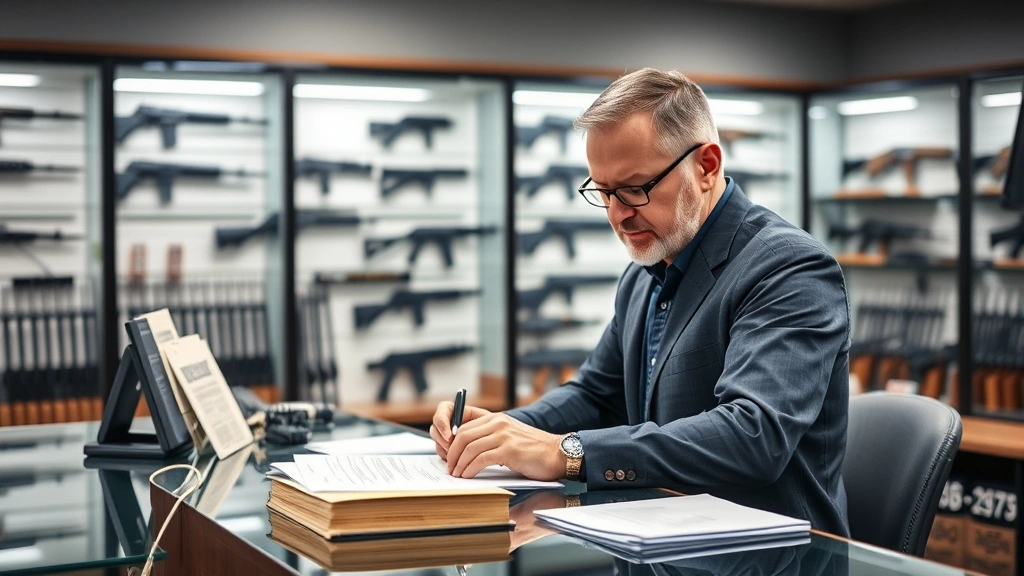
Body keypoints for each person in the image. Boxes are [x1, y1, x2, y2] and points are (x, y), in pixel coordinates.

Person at [430, 68, 851, 536]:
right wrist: (499, 432)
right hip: (660, 543)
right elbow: (596, 395)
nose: (617, 214)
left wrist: (564, 453)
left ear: (707, 166)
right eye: (602, 191)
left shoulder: (789, 268)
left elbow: (752, 436)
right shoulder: (645, 272)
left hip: (767, 558)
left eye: (635, 189)